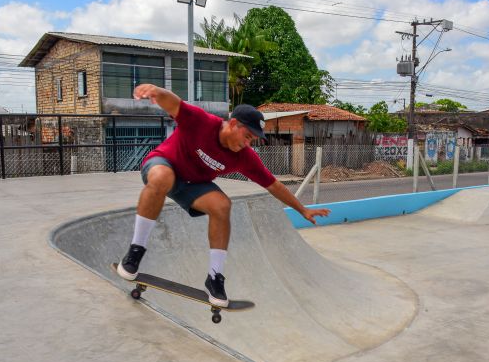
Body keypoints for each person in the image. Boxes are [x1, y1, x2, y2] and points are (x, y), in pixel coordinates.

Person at [117, 84, 331, 307]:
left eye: (252, 141)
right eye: (246, 136)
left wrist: (302, 209)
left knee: (222, 206)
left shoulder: (245, 157)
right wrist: (156, 91)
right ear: (233, 123)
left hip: (192, 185)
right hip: (162, 165)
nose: (247, 144)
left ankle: (214, 277)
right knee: (162, 177)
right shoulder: (201, 122)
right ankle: (136, 251)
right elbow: (174, 103)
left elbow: (274, 185)